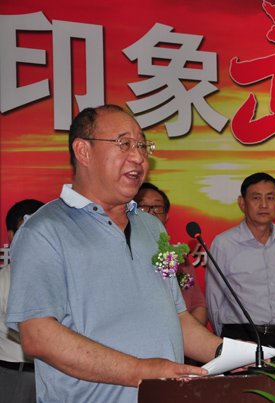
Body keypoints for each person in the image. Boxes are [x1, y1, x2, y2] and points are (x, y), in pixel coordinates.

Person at [6, 105, 222, 403]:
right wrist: (140, 371)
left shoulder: (151, 228)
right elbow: (38, 336)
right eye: (124, 144)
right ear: (83, 151)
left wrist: (227, 353)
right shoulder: (44, 230)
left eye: (142, 146)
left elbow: (177, 319)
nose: (139, 157)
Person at [205, 172, 275, 353]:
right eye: (256, 198)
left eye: (270, 198)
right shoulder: (224, 243)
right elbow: (214, 298)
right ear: (242, 203)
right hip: (241, 336)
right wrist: (225, 340)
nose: (264, 205)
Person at [135, 182, 209, 326]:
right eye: (142, 206)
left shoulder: (178, 258)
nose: (151, 212)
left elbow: (198, 304)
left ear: (166, 217)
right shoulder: (126, 255)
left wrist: (188, 335)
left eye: (157, 207)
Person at [1, 199, 44, 403]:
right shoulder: (4, 279)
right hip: (16, 376)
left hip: (60, 376)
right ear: (12, 236)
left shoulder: (66, 275)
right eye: (27, 230)